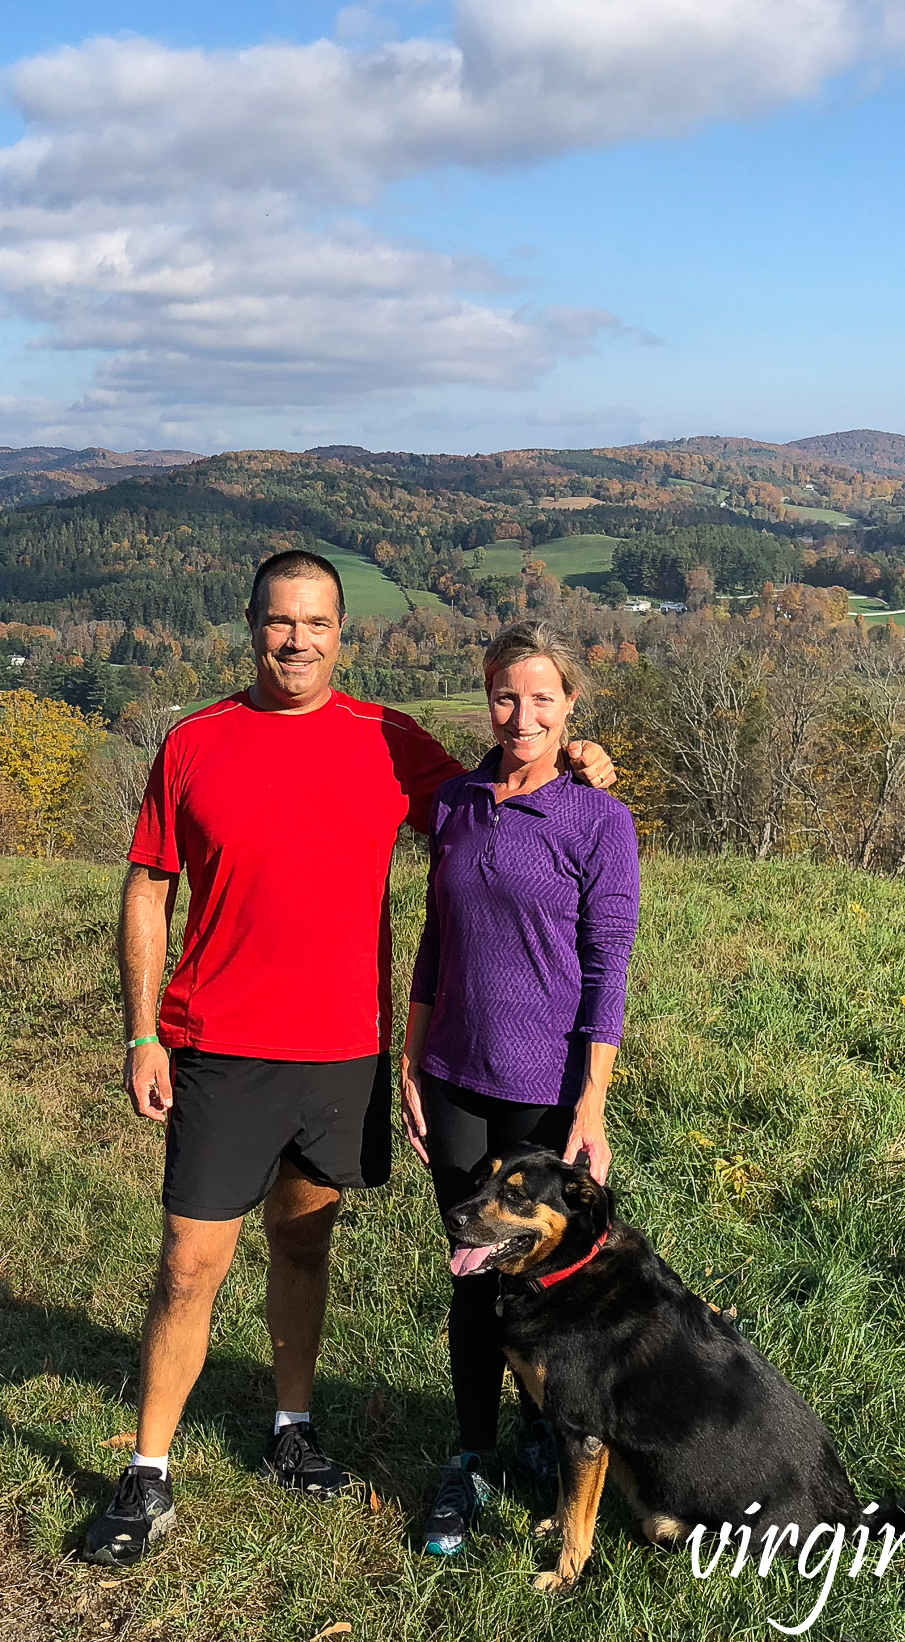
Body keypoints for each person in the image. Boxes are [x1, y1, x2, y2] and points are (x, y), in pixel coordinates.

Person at [78, 554, 615, 1568]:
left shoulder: (386, 740)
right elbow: (148, 887)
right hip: (221, 1046)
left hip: (342, 1054)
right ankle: (146, 1473)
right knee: (189, 1265)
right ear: (251, 625)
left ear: (341, 632)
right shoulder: (196, 742)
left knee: (304, 1247)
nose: (297, 639)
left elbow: (491, 800)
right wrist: (143, 1030)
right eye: (280, 621)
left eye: (316, 622)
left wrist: (577, 764)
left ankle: (291, 1429)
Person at [397, 620, 641, 1558]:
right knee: (470, 1270)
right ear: (486, 696)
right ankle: (469, 1456)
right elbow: (433, 937)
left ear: (571, 705)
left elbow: (607, 962)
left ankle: (552, 1436)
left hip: (545, 1091)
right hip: (455, 1076)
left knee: (549, 1283)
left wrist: (592, 1100)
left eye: (543, 698)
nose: (522, 714)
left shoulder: (596, 818)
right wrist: (412, 1059)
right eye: (506, 695)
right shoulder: (457, 803)